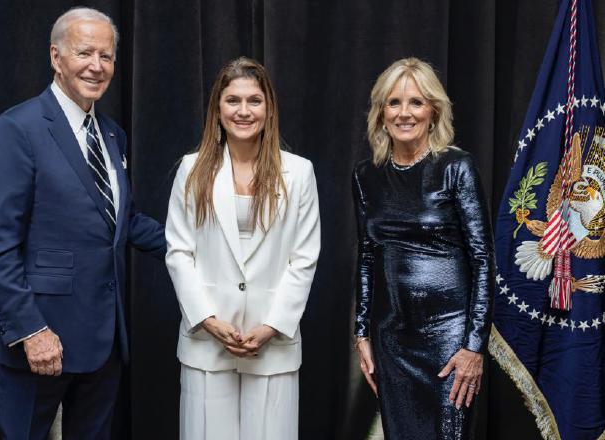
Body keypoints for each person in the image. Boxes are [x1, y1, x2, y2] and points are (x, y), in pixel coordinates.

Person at [0, 7, 165, 439]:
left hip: (104, 339)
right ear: (56, 57)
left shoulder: (112, 134)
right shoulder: (17, 128)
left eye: (107, 55)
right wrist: (30, 330)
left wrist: (191, 244)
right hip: (41, 338)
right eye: (85, 53)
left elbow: (122, 219)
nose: (97, 66)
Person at [165, 57, 320, 440]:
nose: (244, 111)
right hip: (207, 342)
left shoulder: (299, 172)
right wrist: (207, 318)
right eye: (233, 100)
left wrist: (272, 326)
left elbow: (304, 258)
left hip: (273, 343)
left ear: (269, 108)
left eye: (254, 100)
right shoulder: (192, 169)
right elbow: (178, 252)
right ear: (217, 109)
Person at [352, 57, 494, 439]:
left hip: (451, 342)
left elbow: (482, 259)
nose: (404, 113)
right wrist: (362, 334)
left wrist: (473, 346)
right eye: (393, 103)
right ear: (381, 112)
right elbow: (367, 256)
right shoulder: (367, 175)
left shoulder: (456, 167)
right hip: (392, 341)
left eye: (416, 102)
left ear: (433, 110)